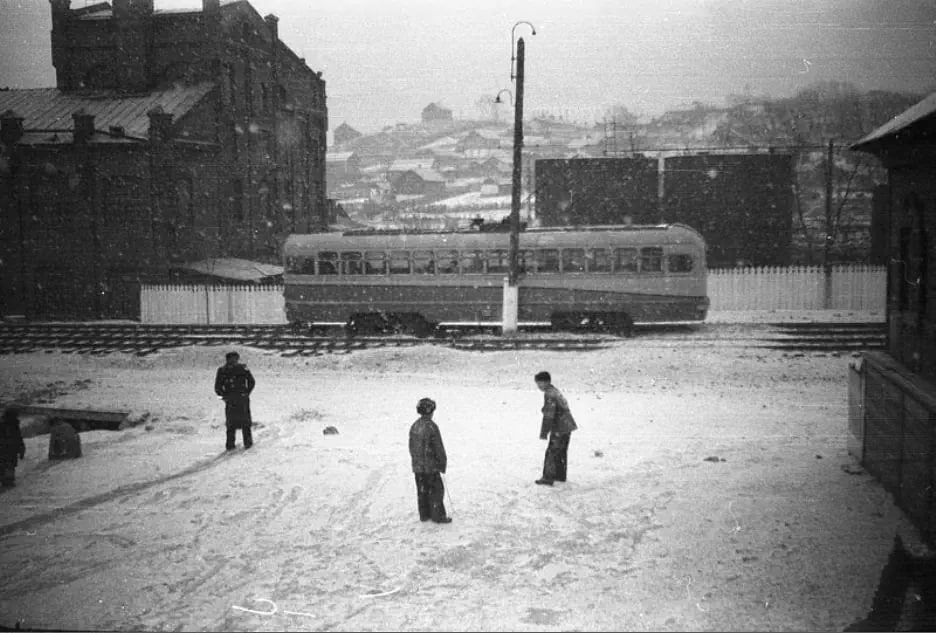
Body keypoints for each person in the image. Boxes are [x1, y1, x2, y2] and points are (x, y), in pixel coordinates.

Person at [408, 397, 452, 524]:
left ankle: (424, 514)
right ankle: (438, 516)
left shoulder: (414, 426)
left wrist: (416, 462)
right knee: (436, 491)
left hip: (418, 467)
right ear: (430, 411)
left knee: (422, 491)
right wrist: (442, 464)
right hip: (431, 467)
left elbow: (411, 447)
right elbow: (438, 448)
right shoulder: (432, 427)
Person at [534, 371, 578, 486]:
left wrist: (544, 432)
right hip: (567, 425)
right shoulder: (554, 391)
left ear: (546, 382)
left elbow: (549, 415)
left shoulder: (549, 394)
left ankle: (548, 477)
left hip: (560, 426)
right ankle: (560, 475)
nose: (538, 386)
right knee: (561, 451)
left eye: (540, 383)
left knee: (552, 452)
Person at [214, 351, 256, 450]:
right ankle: (230, 445)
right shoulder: (222, 370)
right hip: (230, 400)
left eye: (235, 359)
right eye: (231, 359)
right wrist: (223, 398)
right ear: (227, 360)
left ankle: (248, 443)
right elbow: (217, 388)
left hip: (242, 399)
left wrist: (246, 393)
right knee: (230, 424)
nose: (233, 361)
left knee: (245, 423)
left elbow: (251, 382)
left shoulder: (243, 368)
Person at [0, 407, 26, 488]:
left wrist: (21, 448)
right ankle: (7, 481)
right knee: (8, 465)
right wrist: (21, 448)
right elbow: (18, 437)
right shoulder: (9, 425)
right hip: (7, 449)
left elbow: (18, 437)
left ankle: (7, 480)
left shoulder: (13, 424)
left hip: (9, 449)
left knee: (7, 465)